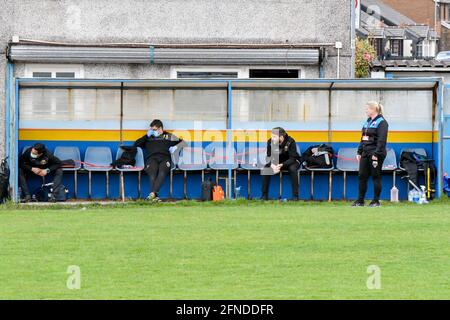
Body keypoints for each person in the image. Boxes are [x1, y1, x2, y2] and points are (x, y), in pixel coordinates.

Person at [134, 119, 186, 202]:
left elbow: (184, 143)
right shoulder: (148, 137)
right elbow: (136, 144)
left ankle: (152, 194)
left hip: (165, 158)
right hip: (151, 158)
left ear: (160, 129)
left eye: (154, 129)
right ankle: (154, 195)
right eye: (151, 129)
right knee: (152, 173)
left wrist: (176, 147)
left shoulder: (169, 136)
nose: (152, 131)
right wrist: (146, 136)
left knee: (162, 171)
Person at [353, 101, 389, 207]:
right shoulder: (367, 122)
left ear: (374, 110)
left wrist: (376, 154)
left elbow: (382, 140)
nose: (366, 110)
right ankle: (360, 201)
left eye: (367, 109)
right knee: (361, 176)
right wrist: (359, 152)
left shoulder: (382, 122)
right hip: (365, 153)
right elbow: (363, 138)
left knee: (375, 176)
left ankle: (376, 201)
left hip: (376, 153)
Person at [261, 127, 301, 201]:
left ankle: (295, 197)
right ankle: (264, 196)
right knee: (266, 168)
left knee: (293, 169)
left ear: (281, 137)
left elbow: (293, 158)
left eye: (274, 136)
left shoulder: (290, 141)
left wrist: (282, 165)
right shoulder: (270, 142)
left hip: (290, 162)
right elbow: (268, 157)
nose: (272, 138)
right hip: (276, 163)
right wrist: (272, 165)